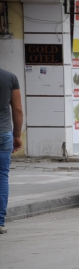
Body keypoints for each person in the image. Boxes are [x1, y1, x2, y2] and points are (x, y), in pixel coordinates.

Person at [0, 68, 24, 234]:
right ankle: (0, 222)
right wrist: (17, 135)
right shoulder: (9, 77)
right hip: (3, 134)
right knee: (2, 176)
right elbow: (17, 110)